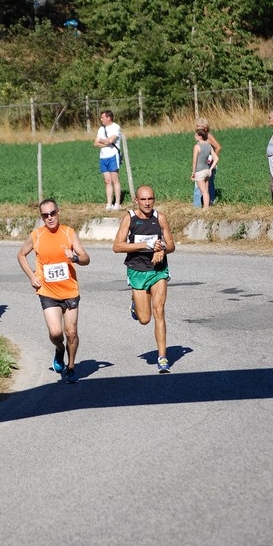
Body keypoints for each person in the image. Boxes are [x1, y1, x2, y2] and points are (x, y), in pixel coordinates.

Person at [17, 199, 90, 383]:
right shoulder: (37, 235)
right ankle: (59, 350)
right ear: (41, 217)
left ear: (58, 212)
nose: (49, 218)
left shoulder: (68, 233)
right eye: (45, 215)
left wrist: (73, 258)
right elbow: (21, 255)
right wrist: (32, 276)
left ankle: (71, 367)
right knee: (56, 333)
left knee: (71, 332)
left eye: (52, 213)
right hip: (48, 292)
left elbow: (86, 258)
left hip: (70, 291)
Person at [113, 185, 175, 373]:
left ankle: (162, 357)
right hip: (137, 270)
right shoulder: (129, 218)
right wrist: (144, 244)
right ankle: (135, 303)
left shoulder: (160, 218)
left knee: (159, 311)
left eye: (150, 199)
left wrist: (162, 250)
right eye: (143, 199)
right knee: (145, 319)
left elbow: (171, 244)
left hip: (158, 270)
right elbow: (117, 246)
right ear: (137, 200)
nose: (147, 203)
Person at [94, 110, 122, 211]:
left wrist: (102, 140)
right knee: (107, 181)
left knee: (115, 180)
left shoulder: (116, 127)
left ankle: (117, 203)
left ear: (108, 117)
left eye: (102, 117)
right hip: (103, 157)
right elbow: (96, 143)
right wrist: (105, 141)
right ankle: (109, 203)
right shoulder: (101, 129)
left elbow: (111, 140)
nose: (101, 119)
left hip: (113, 156)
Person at [193, 118, 222, 207]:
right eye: (197, 128)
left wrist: (211, 159)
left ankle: (198, 205)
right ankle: (208, 203)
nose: (198, 130)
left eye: (200, 128)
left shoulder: (208, 136)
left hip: (208, 164)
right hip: (204, 164)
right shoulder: (201, 137)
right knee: (207, 185)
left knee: (201, 185)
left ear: (205, 128)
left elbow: (218, 147)